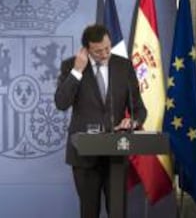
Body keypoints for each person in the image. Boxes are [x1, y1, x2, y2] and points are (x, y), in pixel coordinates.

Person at [54, 24, 147, 218]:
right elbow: (61, 103)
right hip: (84, 157)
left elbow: (139, 108)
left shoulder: (124, 66)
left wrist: (133, 122)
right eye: (98, 51)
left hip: (116, 154)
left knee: (118, 212)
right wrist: (77, 71)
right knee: (89, 212)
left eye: (107, 48)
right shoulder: (71, 65)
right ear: (86, 50)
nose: (105, 54)